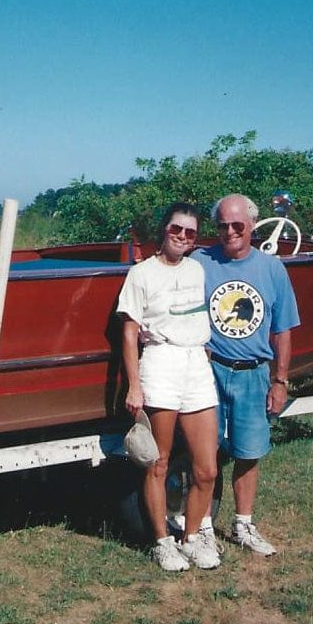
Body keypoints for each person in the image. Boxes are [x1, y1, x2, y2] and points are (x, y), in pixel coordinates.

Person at [191, 193, 300, 556]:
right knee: (206, 454)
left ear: (252, 225)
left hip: (254, 375)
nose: (230, 232)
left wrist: (279, 381)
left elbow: (283, 330)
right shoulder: (200, 261)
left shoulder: (272, 269)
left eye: (238, 225)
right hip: (210, 373)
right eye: (222, 225)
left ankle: (243, 524)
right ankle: (204, 527)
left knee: (248, 452)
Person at [117, 202, 221, 572]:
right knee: (157, 463)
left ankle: (192, 537)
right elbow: (129, 332)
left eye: (190, 233)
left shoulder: (197, 270)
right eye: (177, 229)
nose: (182, 237)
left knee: (206, 468)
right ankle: (162, 542)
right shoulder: (141, 274)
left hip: (195, 363)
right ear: (165, 230)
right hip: (160, 362)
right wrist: (134, 386)